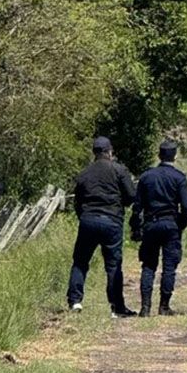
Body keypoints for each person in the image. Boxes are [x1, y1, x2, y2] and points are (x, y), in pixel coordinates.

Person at [67, 136, 139, 317]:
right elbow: (131, 195)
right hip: (112, 220)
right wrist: (121, 205)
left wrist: (83, 216)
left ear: (94, 152)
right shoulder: (118, 170)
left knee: (80, 261)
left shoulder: (84, 173)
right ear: (110, 151)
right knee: (113, 265)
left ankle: (75, 301)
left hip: (88, 220)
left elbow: (77, 201)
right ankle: (117, 307)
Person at [129, 140, 187, 317]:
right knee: (169, 266)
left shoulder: (147, 176)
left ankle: (145, 307)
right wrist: (181, 224)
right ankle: (164, 305)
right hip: (171, 223)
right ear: (175, 156)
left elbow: (137, 206)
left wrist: (136, 227)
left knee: (148, 265)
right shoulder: (179, 177)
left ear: (159, 155)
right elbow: (185, 206)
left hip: (151, 224)